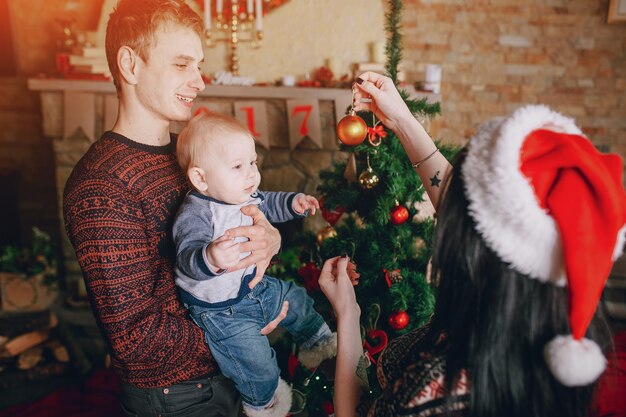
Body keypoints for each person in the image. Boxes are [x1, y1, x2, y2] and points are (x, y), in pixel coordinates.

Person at [318, 71, 626, 417]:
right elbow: (465, 205)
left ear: (475, 249)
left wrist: (348, 313)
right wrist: (401, 119)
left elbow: (356, 412)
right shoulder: (549, 321)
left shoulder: (433, 390)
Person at [62, 1, 286, 416]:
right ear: (130, 65)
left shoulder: (192, 155)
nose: (199, 81)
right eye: (182, 65)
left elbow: (248, 213)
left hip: (228, 374)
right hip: (178, 398)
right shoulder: (101, 185)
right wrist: (242, 330)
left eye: (198, 65)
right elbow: (136, 340)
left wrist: (270, 236)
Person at [173, 111, 338, 417]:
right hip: (219, 311)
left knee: (295, 297)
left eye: (252, 163)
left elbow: (268, 202)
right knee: (258, 363)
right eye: (238, 167)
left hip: (253, 288)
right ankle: (263, 403)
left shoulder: (241, 193)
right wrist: (210, 256)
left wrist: (293, 203)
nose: (251, 175)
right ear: (200, 178)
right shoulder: (197, 212)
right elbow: (186, 257)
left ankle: (319, 343)